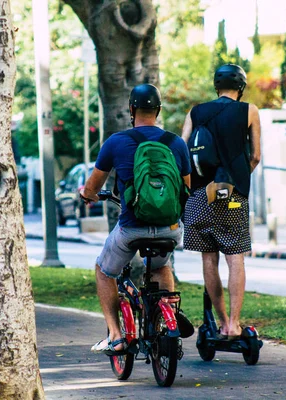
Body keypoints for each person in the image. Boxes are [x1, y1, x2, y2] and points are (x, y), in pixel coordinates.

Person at [80, 83, 193, 355]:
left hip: (132, 228)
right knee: (161, 266)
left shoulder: (117, 142)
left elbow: (93, 186)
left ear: (131, 109)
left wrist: (88, 195)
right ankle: (167, 316)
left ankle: (116, 336)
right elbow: (187, 187)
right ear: (158, 110)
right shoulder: (175, 143)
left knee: (104, 271)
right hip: (170, 229)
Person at [181, 64, 261, 339]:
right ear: (241, 87)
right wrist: (238, 177)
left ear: (216, 86)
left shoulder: (196, 112)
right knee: (235, 257)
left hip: (201, 195)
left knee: (209, 258)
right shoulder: (249, 110)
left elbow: (183, 150)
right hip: (232, 195)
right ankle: (234, 325)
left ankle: (221, 320)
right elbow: (256, 156)